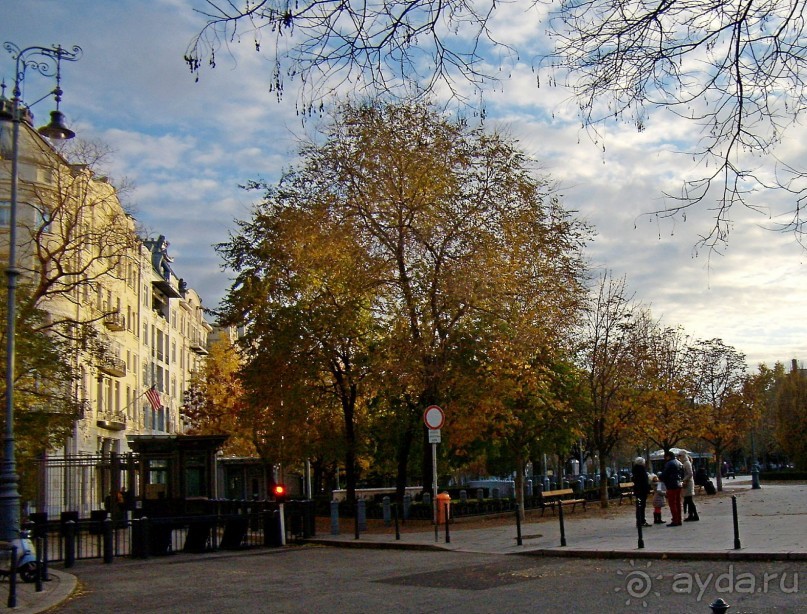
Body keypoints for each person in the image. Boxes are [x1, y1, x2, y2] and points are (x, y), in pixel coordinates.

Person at [660, 450, 684, 526]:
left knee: (672, 503)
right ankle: (679, 519)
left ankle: (675, 520)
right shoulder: (679, 462)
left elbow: (664, 474)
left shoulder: (669, 464)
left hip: (671, 485)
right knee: (678, 503)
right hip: (678, 484)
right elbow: (682, 473)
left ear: (668, 456)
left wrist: (660, 477)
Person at [678, 451, 699, 521]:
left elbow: (690, 473)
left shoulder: (687, 463)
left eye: (680, 456)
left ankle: (694, 515)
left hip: (688, 483)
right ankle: (691, 515)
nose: (679, 457)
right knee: (688, 500)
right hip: (687, 482)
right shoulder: (684, 463)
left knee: (689, 500)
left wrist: (684, 480)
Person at [632, 456, 651, 527]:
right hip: (642, 491)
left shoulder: (635, 470)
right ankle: (642, 521)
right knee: (641, 506)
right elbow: (644, 481)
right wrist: (647, 489)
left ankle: (640, 520)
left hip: (638, 490)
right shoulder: (642, 470)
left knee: (639, 506)